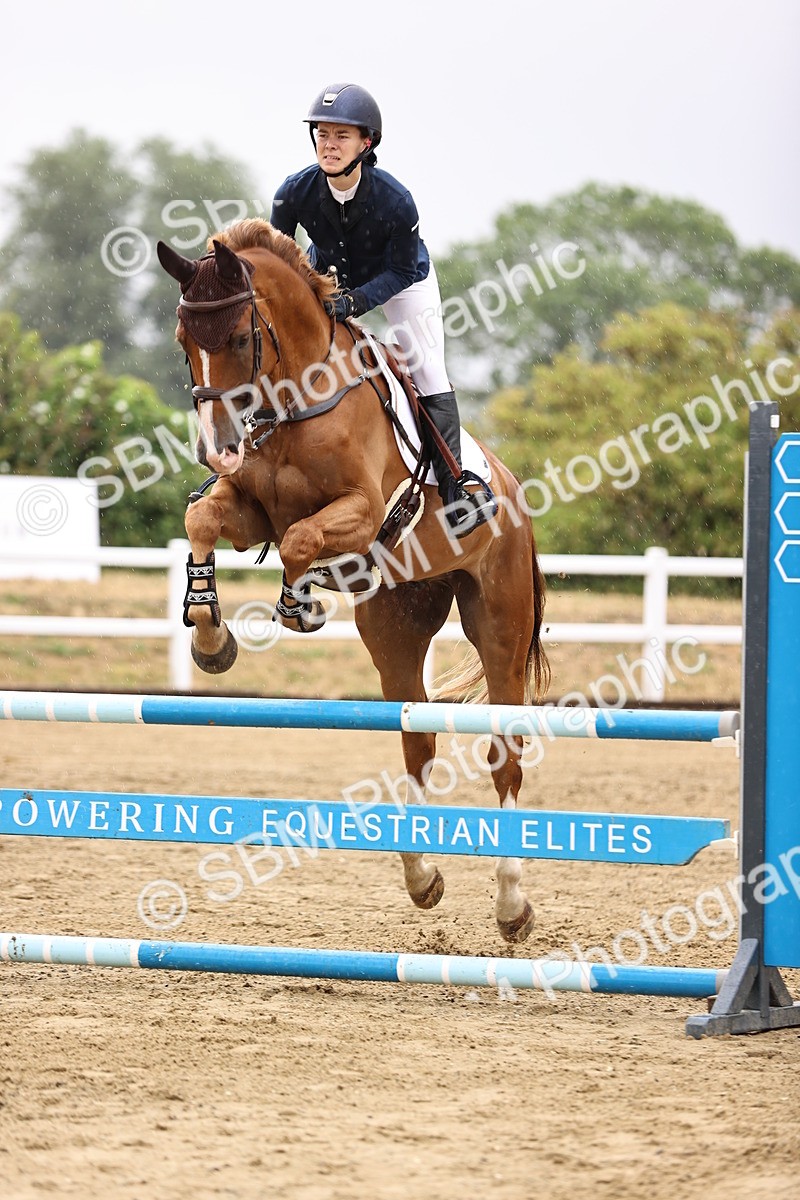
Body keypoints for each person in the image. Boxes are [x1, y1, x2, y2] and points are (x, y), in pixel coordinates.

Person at [270, 82, 497, 539]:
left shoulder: (396, 201)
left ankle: (456, 486)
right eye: (322, 134)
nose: (329, 145)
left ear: (366, 143)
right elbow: (278, 258)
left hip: (402, 281)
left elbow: (401, 270)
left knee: (426, 366)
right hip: (331, 274)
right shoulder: (293, 191)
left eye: (341, 136)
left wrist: (355, 302)